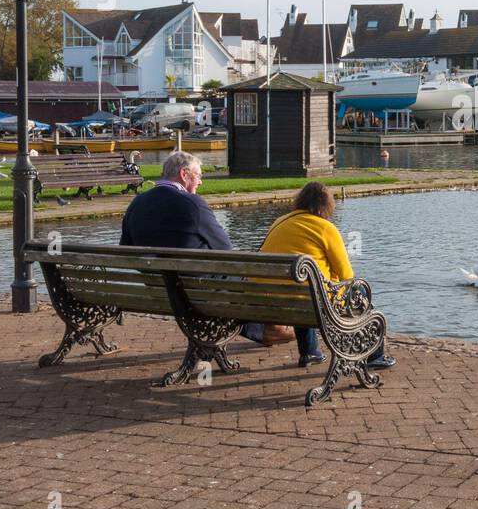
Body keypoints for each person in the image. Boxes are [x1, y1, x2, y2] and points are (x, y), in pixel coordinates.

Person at [252, 181, 395, 370]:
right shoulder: (326, 228)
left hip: (271, 302)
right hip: (310, 303)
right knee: (359, 291)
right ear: (327, 205)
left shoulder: (279, 222)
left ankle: (310, 352)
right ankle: (374, 356)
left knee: (305, 288)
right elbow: (347, 276)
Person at [120, 151, 231, 250]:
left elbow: (125, 247)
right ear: (184, 174)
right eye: (198, 176)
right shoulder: (193, 204)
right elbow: (224, 246)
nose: (200, 182)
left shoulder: (138, 202)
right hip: (190, 272)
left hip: (150, 271)